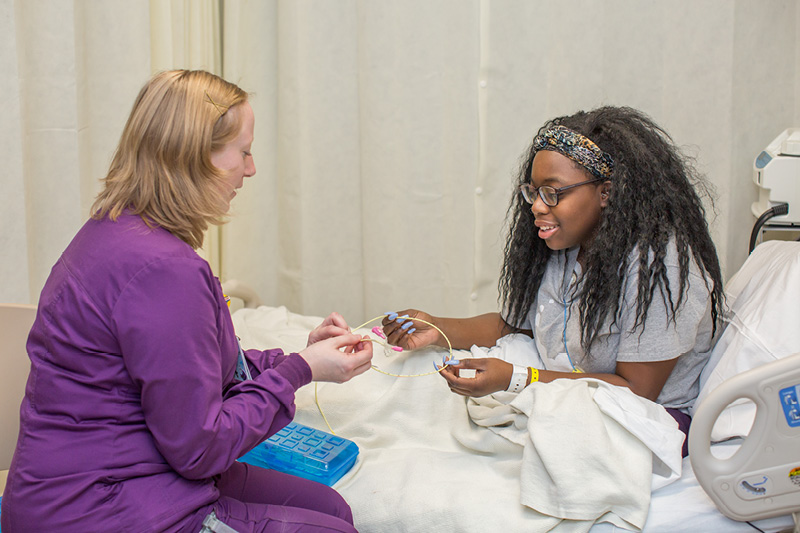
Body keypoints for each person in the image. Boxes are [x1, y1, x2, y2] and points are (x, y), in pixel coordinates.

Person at [1, 70, 372, 532]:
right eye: (245, 151)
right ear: (198, 157)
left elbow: (186, 372)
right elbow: (200, 450)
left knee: (331, 508)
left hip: (97, 478)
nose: (251, 169)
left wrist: (296, 357)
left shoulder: (113, 229)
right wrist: (301, 372)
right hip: (100, 507)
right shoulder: (163, 270)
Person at [382, 106, 724, 457]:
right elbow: (518, 326)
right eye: (534, 193)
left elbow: (636, 390)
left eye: (553, 193)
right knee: (416, 394)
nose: (537, 207)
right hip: (571, 391)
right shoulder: (567, 245)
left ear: (606, 193)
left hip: (644, 423)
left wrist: (517, 378)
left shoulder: (659, 268)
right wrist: (436, 328)